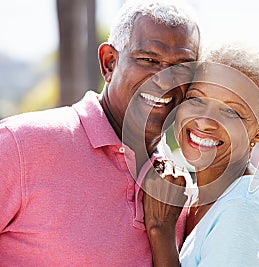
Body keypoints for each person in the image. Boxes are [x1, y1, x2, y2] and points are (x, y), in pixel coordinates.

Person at [0, 0, 199, 265]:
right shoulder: (22, 145)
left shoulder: (180, 187)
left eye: (182, 67)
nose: (165, 81)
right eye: (148, 59)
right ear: (109, 63)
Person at [143, 37, 259, 266]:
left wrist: (161, 232)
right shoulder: (203, 196)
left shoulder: (244, 210)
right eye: (196, 99)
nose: (205, 121)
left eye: (231, 112)